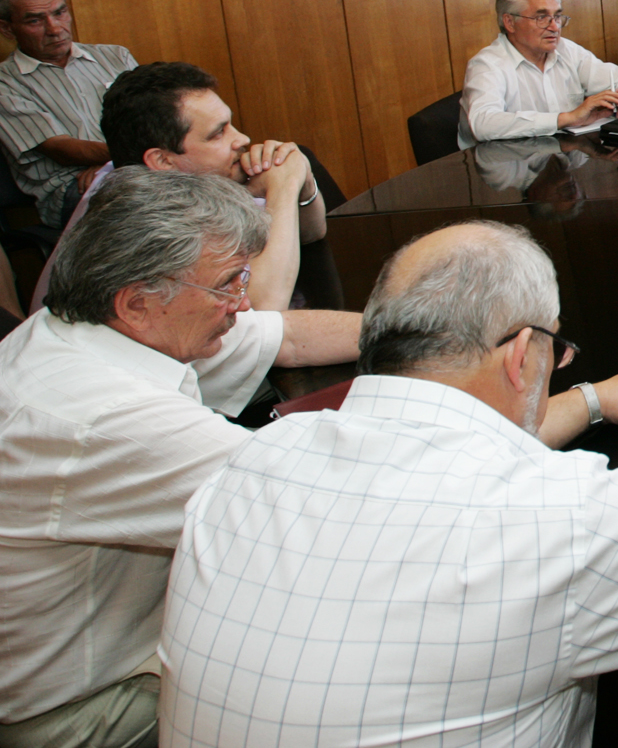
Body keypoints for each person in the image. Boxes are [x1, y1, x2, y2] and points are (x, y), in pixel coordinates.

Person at [160, 220, 618, 748]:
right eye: (555, 350)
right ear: (520, 355)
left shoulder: (250, 460)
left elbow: (441, 438)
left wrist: (591, 399)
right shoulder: (562, 510)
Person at [0, 169, 360, 748]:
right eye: (228, 284)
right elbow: (329, 503)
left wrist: (439, 338)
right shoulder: (105, 416)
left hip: (121, 634)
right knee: (344, 668)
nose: (243, 303)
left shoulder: (86, 324)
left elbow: (287, 337)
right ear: (138, 302)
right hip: (82, 706)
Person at [22, 62, 328, 316]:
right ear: (162, 160)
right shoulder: (143, 218)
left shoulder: (172, 180)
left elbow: (311, 233)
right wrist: (284, 184)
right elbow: (261, 313)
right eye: (217, 134)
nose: (243, 139)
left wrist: (304, 185)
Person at [0, 0, 136, 227]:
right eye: (35, 21)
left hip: (136, 166)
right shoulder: (5, 83)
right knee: (144, 199)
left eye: (59, 13)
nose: (54, 29)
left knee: (213, 174)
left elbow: (156, 119)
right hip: (72, 187)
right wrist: (125, 159)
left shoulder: (116, 57)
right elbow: (62, 150)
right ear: (7, 29)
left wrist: (120, 163)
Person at [459, 0, 618, 146]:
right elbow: (483, 123)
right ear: (510, 22)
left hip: (565, 157)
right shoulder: (487, 64)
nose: (554, 27)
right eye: (541, 18)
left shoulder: (567, 50)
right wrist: (567, 118)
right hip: (505, 167)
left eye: (557, 16)